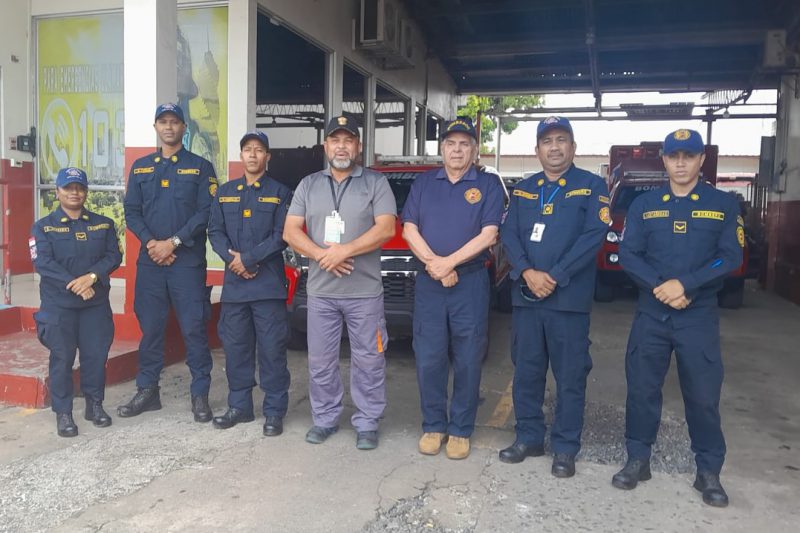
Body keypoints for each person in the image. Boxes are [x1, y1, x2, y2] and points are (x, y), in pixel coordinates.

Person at [613, 129, 743, 507]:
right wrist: (661, 287)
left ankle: (708, 472)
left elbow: (730, 256)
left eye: (689, 155)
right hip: (652, 313)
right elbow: (629, 254)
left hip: (697, 315)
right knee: (641, 390)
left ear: (701, 159)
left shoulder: (722, 204)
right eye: (674, 156)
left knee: (703, 395)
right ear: (665, 160)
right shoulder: (645, 205)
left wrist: (685, 285)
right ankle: (638, 459)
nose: (681, 163)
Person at [498, 116, 609, 477]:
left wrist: (556, 275)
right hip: (527, 297)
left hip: (568, 300)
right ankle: (528, 437)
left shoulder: (591, 186)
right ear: (537, 150)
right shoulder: (523, 189)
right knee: (527, 372)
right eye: (547, 141)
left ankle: (565, 447)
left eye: (562, 140)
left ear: (573, 147)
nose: (555, 147)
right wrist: (527, 272)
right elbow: (508, 234)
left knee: (570, 376)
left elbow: (593, 236)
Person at [283, 115, 396, 450]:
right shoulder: (308, 185)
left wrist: (344, 250)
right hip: (321, 293)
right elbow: (290, 231)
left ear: (358, 147)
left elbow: (386, 228)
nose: (341, 146)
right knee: (320, 361)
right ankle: (325, 419)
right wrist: (322, 255)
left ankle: (367, 422)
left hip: (364, 292)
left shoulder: (376, 183)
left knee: (369, 360)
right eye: (335, 140)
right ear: (326, 146)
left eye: (348, 140)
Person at [402, 117, 504, 460]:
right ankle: (433, 425)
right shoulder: (424, 183)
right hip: (429, 283)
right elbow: (409, 229)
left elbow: (489, 234)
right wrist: (436, 264)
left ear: (474, 150)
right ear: (442, 148)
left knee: (468, 357)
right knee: (429, 357)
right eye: (450, 144)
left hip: (470, 283)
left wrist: (449, 263)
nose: (457, 150)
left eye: (464, 144)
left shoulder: (487, 184)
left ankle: (460, 429)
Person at [120, 103, 217, 422]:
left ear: (184, 128)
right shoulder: (141, 168)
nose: (169, 127)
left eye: (175, 122)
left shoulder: (201, 167)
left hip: (186, 263)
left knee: (193, 329)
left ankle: (200, 394)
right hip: (151, 262)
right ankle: (148, 391)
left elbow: (206, 212)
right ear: (156, 127)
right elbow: (131, 211)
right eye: (163, 122)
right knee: (150, 329)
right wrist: (152, 243)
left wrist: (173, 242)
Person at [208, 131, 292, 436]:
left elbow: (282, 236)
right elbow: (215, 231)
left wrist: (249, 259)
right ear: (241, 155)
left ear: (267, 156)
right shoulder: (225, 192)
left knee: (272, 351)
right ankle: (240, 407)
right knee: (236, 350)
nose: (253, 155)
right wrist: (234, 261)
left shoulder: (281, 193)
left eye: (259, 150)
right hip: (235, 289)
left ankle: (274, 411)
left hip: (267, 288)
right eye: (247, 149)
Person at [30, 167, 122, 437]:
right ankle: (64, 412)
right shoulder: (42, 227)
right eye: (68, 188)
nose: (74, 193)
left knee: (95, 356)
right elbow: (43, 263)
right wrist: (77, 284)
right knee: (62, 358)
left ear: (86, 192)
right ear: (57, 192)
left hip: (95, 306)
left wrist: (91, 277)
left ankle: (95, 405)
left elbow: (113, 256)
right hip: (59, 307)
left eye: (79, 188)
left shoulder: (104, 224)